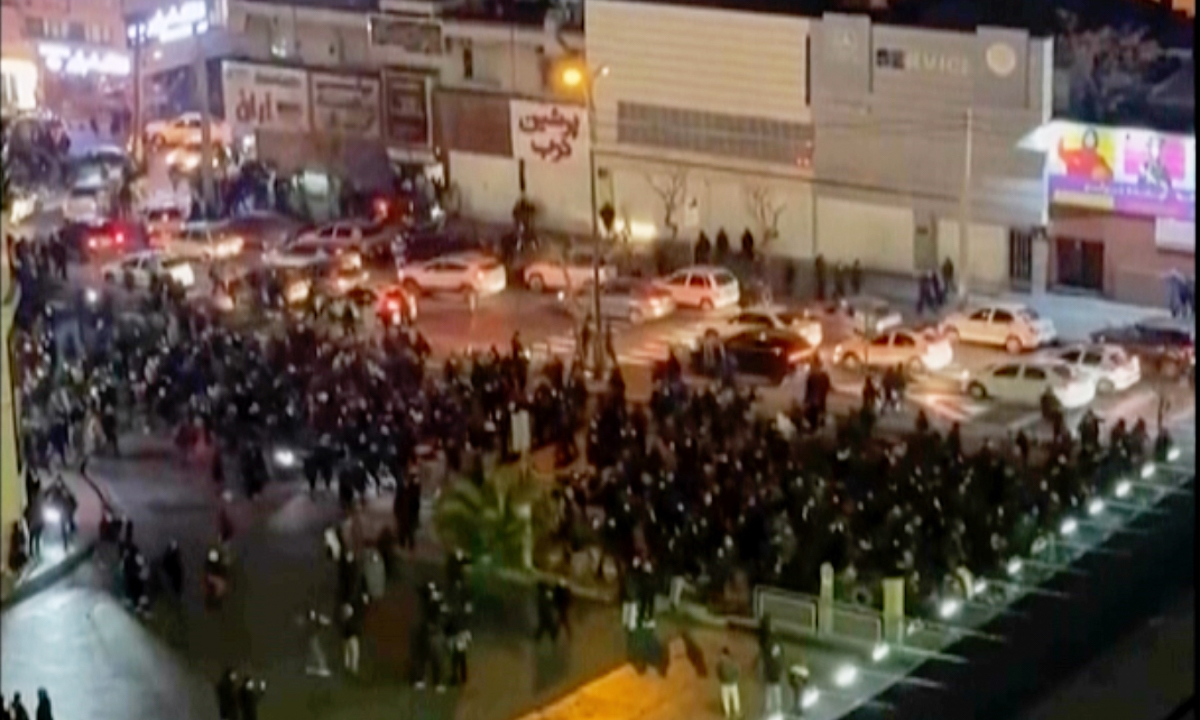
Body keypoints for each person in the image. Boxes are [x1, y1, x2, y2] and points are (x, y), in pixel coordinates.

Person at [716, 647, 741, 719]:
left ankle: (728, 714)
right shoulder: (733, 661)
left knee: (726, 698)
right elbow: (738, 671)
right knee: (735, 698)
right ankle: (736, 712)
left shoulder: (721, 663)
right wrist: (736, 679)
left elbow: (718, 672)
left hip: (725, 683)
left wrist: (721, 679)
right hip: (732, 682)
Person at [762, 642, 785, 715]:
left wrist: (766, 675)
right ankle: (777, 706)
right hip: (775, 679)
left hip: (771, 679)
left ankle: (769, 707)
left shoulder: (771, 660)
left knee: (769, 693)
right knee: (775, 693)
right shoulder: (780, 660)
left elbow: (766, 669)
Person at [341, 602, 362, 675]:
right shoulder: (351, 622)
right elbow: (355, 630)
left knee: (347, 655)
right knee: (353, 655)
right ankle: (352, 670)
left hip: (346, 639)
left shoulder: (343, 621)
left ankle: (349, 670)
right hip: (351, 638)